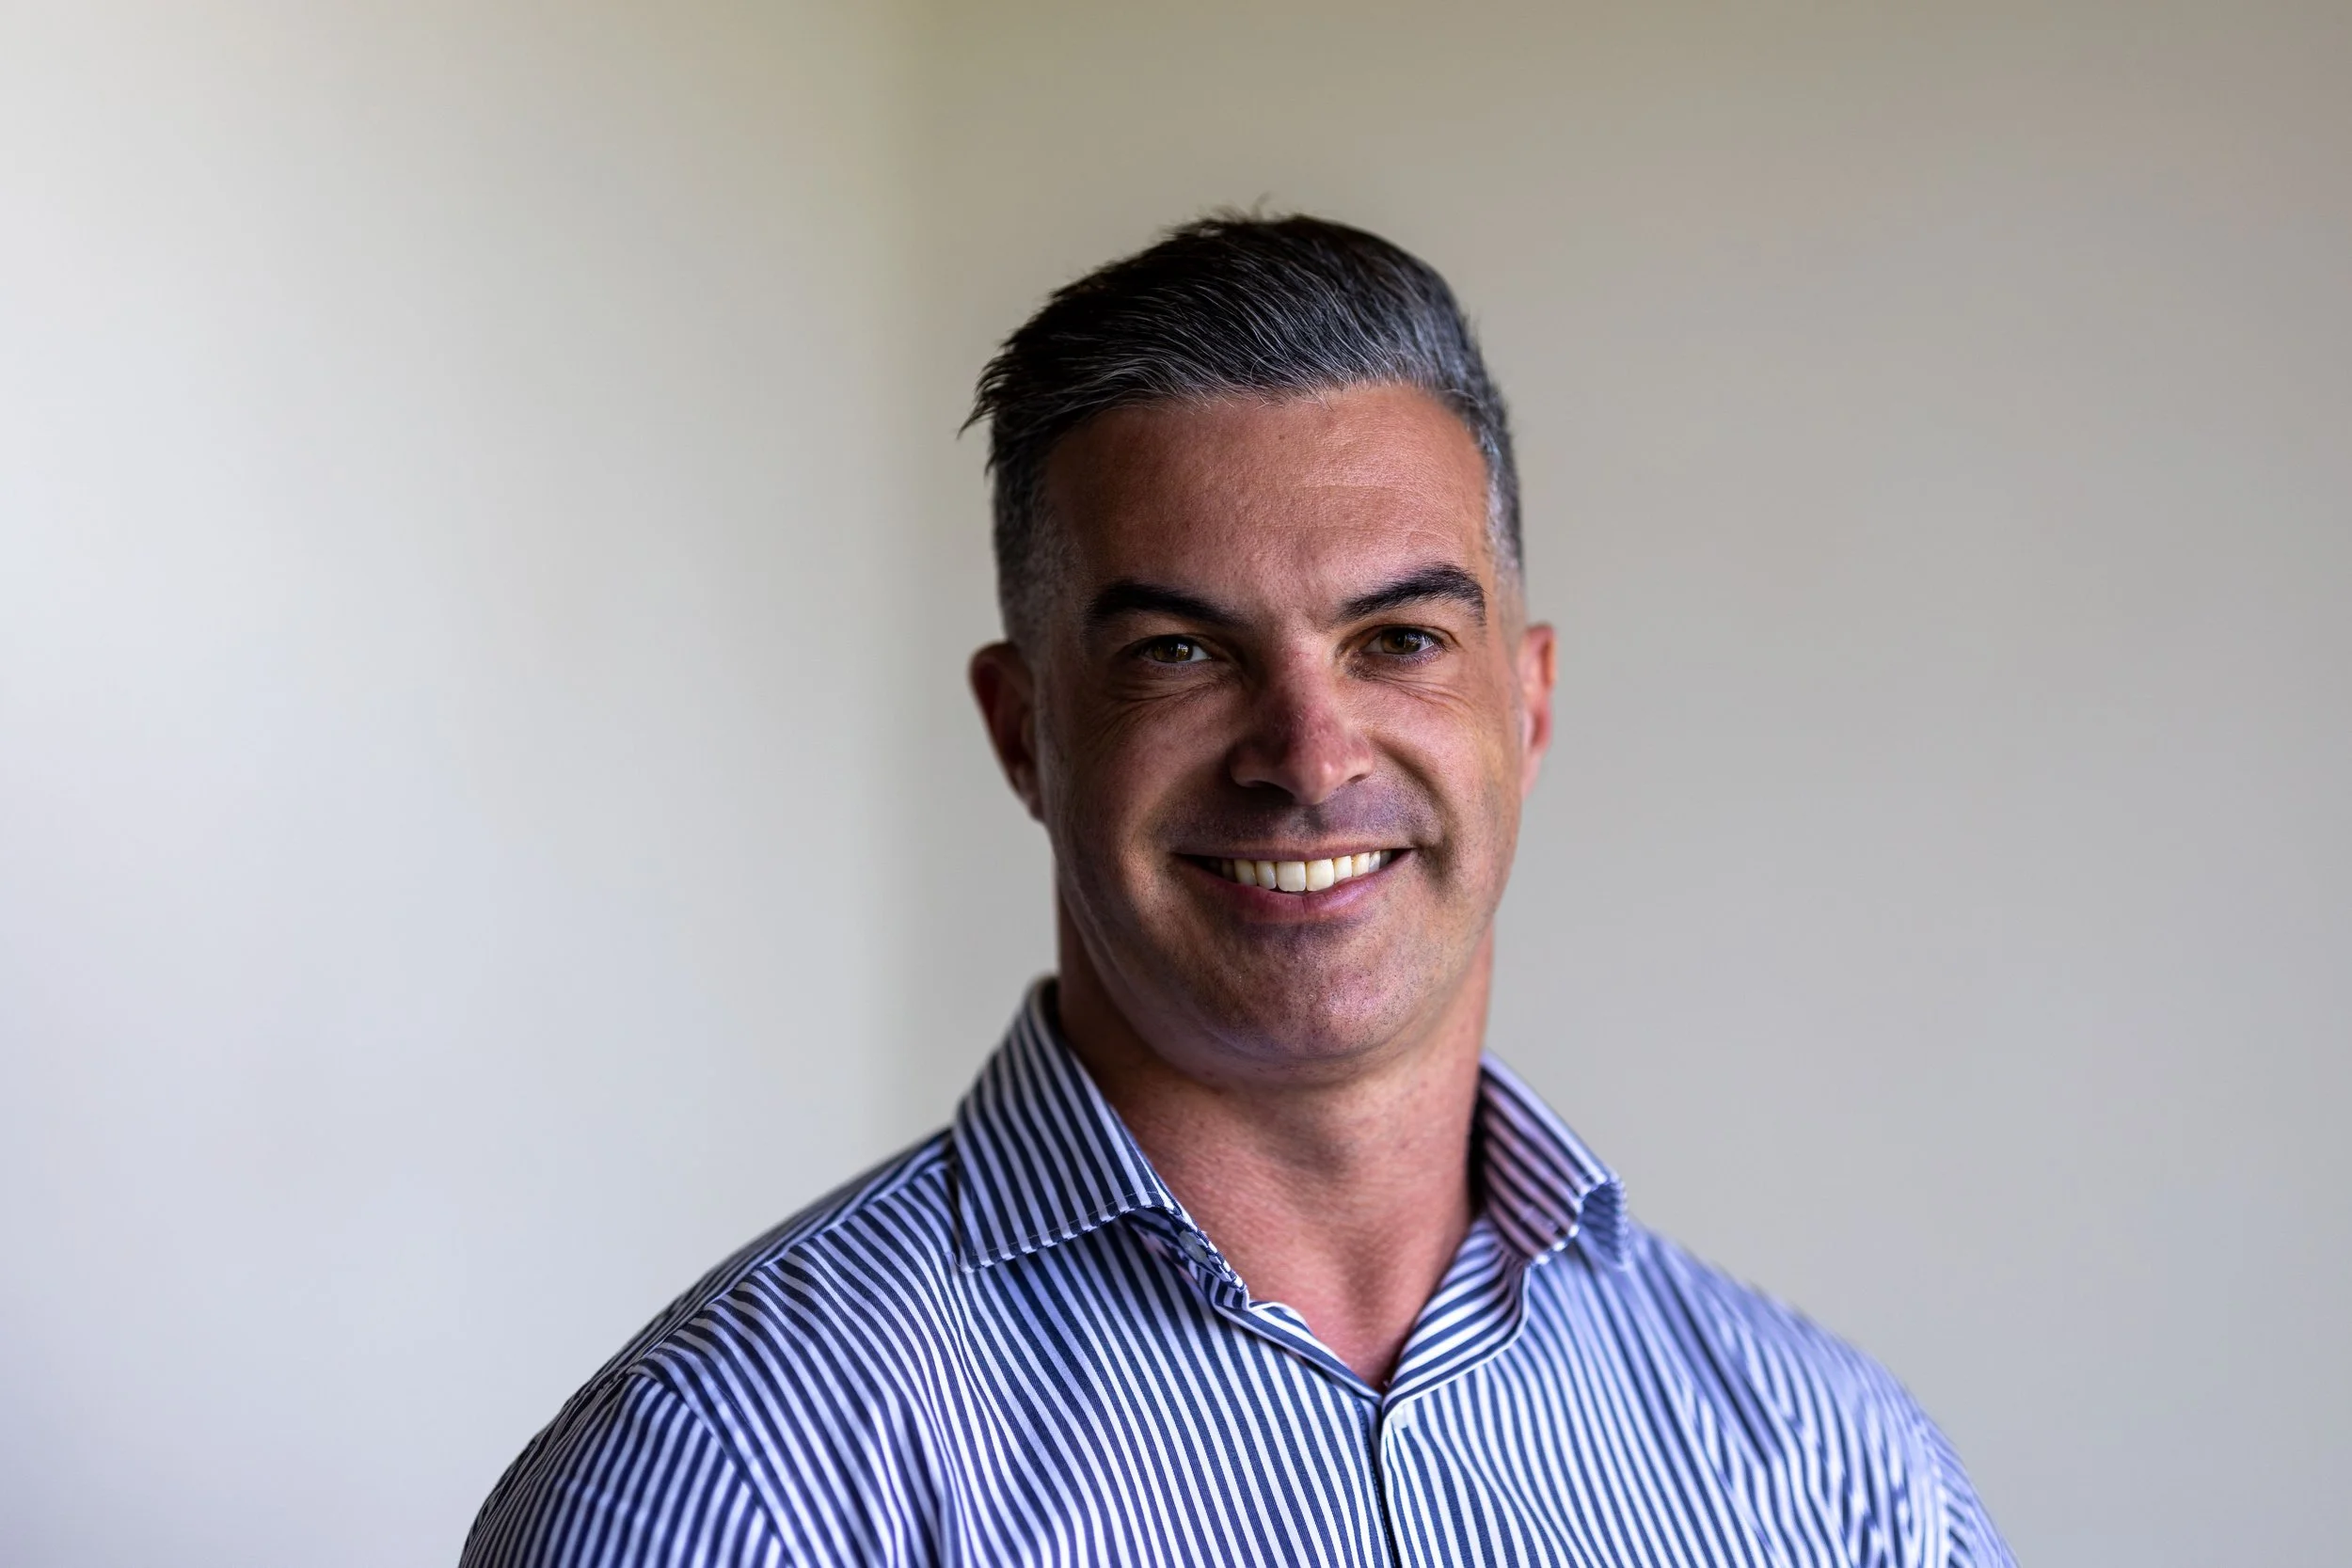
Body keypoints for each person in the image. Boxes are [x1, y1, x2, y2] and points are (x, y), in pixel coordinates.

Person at [463, 215, 2011, 1567]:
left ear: (1525, 709)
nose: (1307, 752)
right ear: (1025, 734)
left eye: (1399, 639)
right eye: (1180, 654)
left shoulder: (1838, 1486)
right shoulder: (730, 1487)